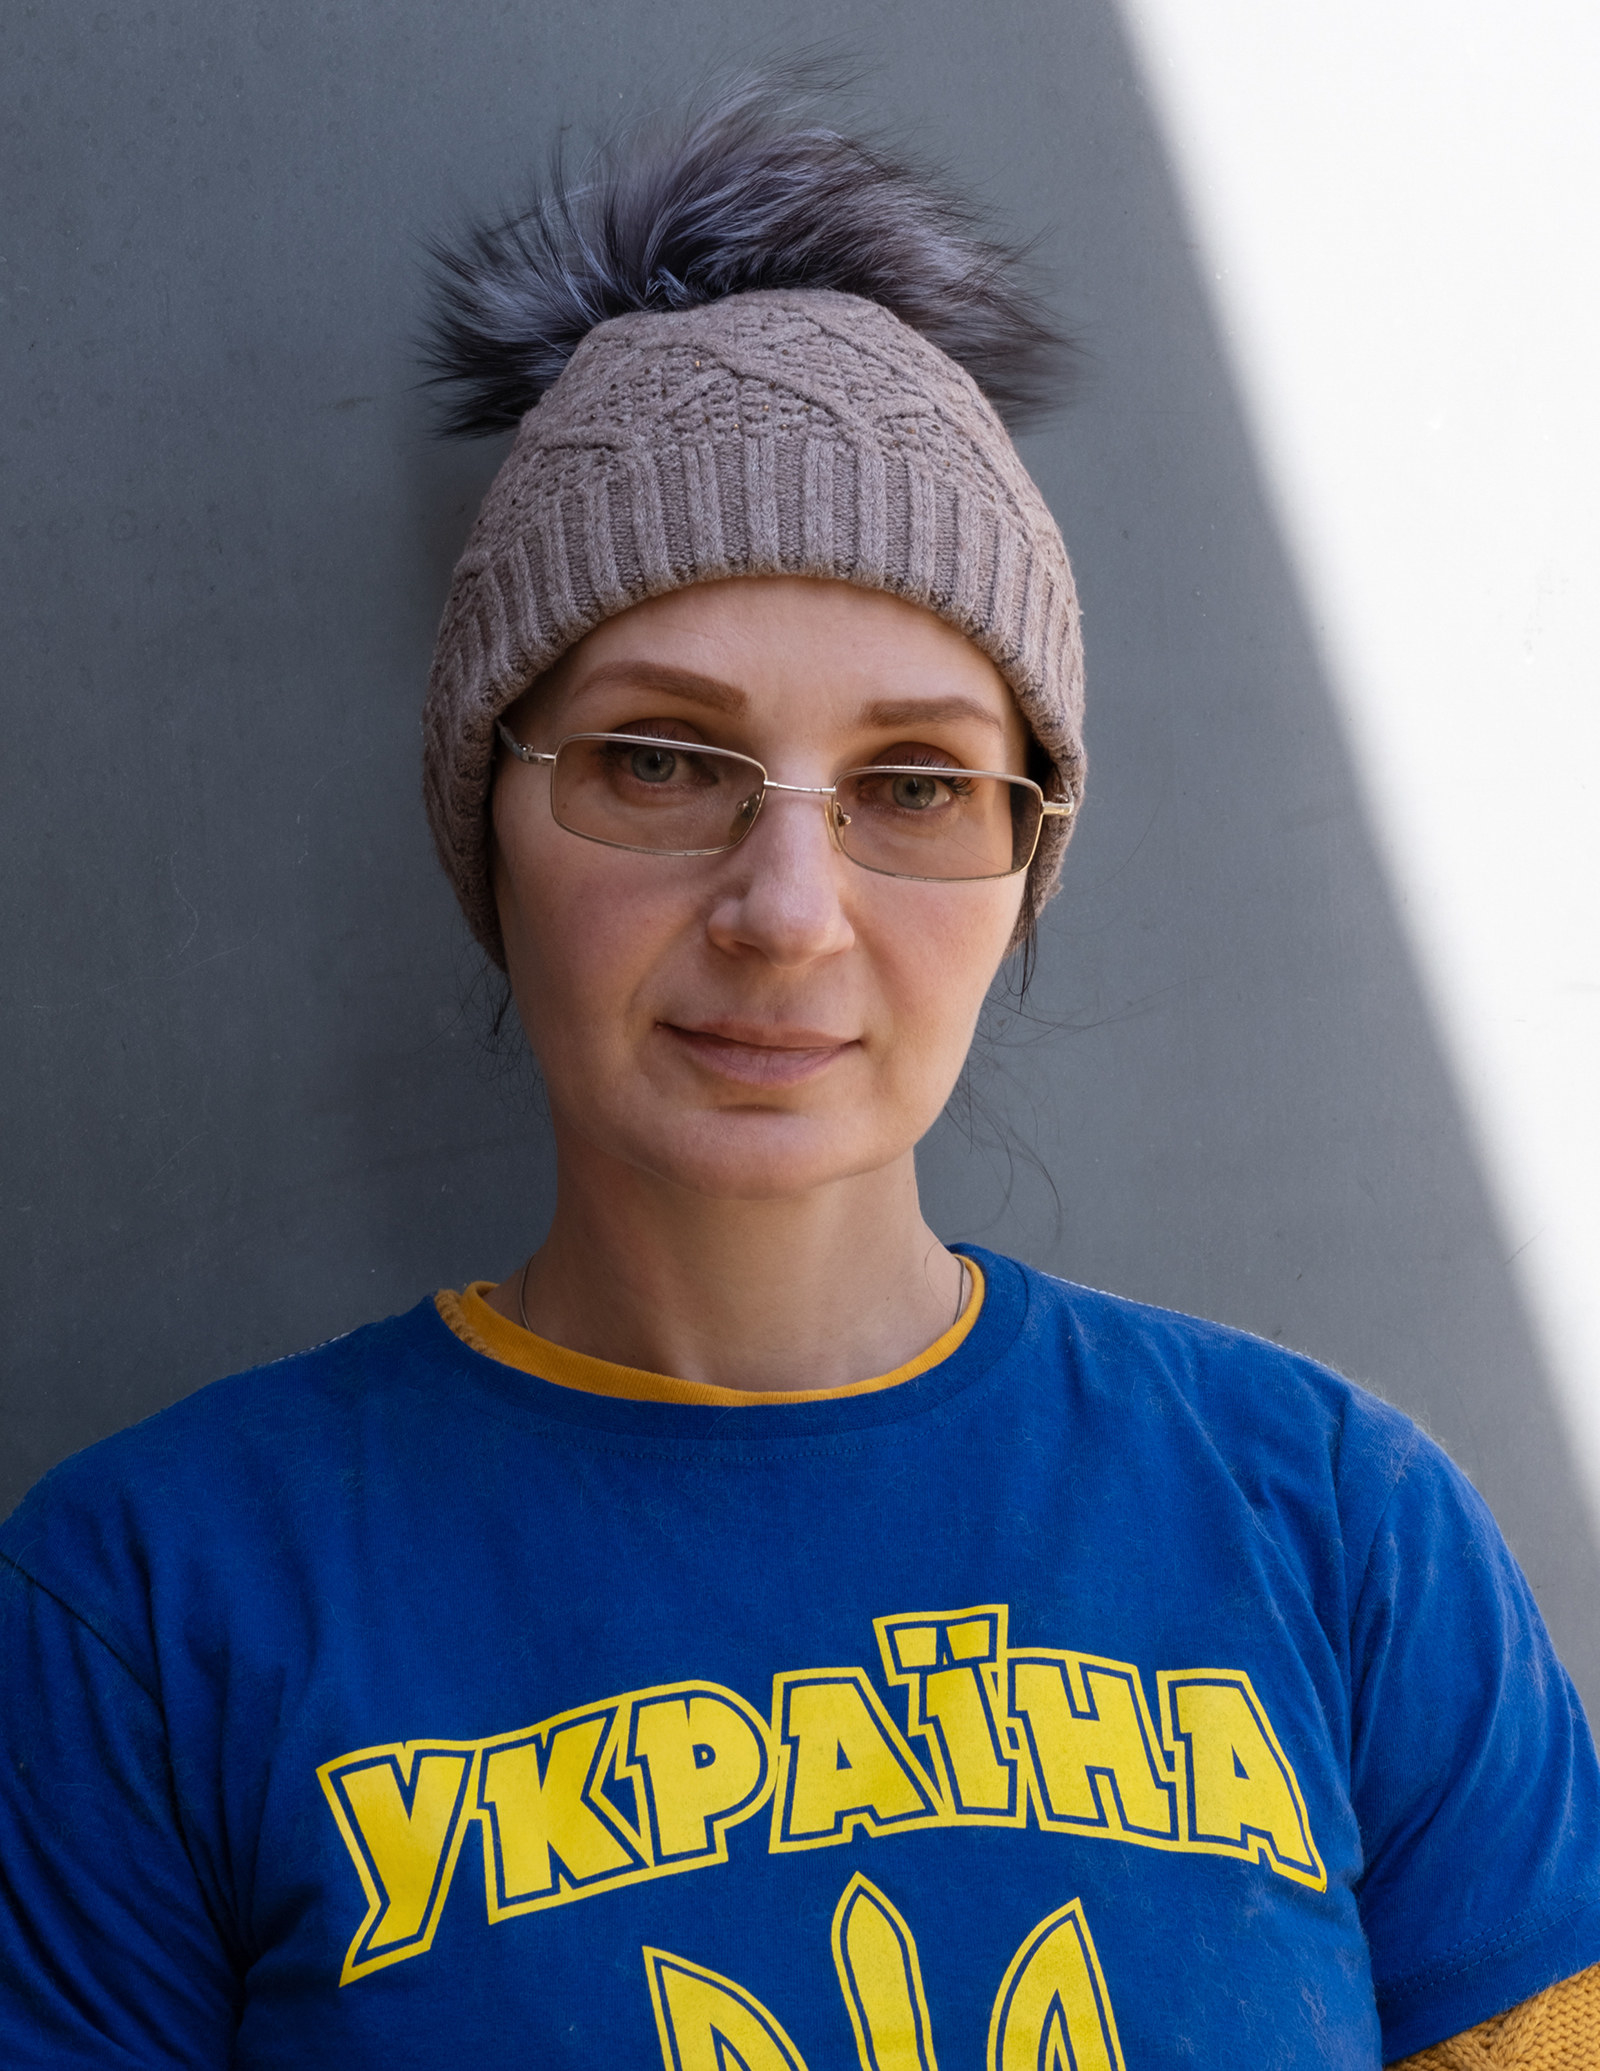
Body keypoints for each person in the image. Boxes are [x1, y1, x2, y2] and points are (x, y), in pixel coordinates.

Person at [1, 80, 1596, 2071]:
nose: (784, 908)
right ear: (488, 822)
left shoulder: (1340, 1532)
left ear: (1024, 862)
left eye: (915, 783)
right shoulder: (150, 1603)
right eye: (660, 759)